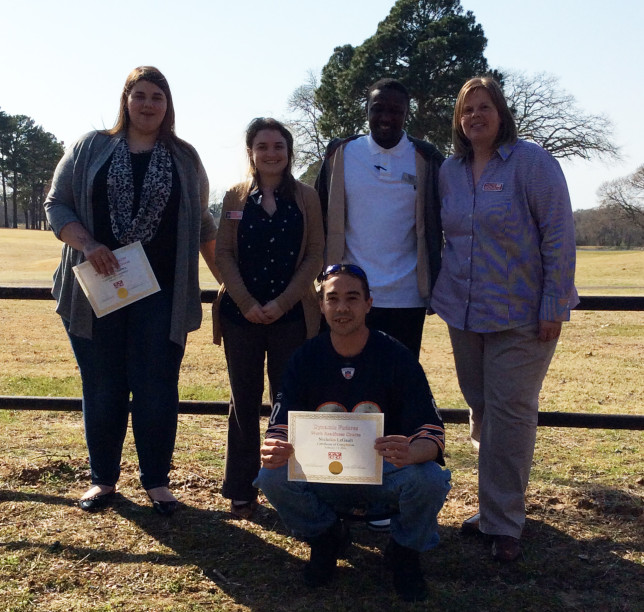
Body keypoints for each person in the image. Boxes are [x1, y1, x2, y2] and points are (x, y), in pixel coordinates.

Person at [44, 66, 219, 516]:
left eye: (157, 97)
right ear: (125, 100)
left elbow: (202, 225)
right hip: (95, 293)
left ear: (168, 105)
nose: (147, 104)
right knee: (102, 386)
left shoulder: (185, 157)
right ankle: (102, 481)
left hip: (160, 295)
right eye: (139, 95)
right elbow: (56, 203)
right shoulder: (91, 147)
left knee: (157, 387)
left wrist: (228, 285)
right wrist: (88, 244)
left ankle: (157, 483)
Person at [430, 76, 579, 561]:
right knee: (482, 412)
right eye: (467, 109)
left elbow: (558, 235)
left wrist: (553, 306)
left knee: (510, 416)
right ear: (459, 119)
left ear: (502, 113)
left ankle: (506, 523)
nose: (475, 116)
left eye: (484, 107)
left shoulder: (532, 162)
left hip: (521, 314)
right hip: (464, 311)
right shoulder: (448, 170)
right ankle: (492, 509)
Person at [255, 264, 451, 602]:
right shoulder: (305, 358)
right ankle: (327, 536)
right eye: (333, 299)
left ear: (368, 304)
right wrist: (276, 446)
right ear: (322, 306)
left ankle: (404, 552)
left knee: (431, 479)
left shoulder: (396, 356)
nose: (342, 308)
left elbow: (432, 433)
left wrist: (413, 451)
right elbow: (281, 425)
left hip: (384, 475)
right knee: (271, 477)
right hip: (323, 474)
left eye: (352, 298)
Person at [213, 118, 324, 520]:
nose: (271, 153)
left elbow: (315, 254)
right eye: (263, 146)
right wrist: (245, 302)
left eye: (279, 146)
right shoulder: (235, 197)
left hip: (292, 317)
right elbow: (223, 253)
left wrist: (282, 302)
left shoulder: (307, 197)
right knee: (244, 402)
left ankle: (295, 485)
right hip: (241, 318)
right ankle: (241, 489)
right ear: (251, 152)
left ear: (289, 152)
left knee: (290, 402)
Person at [315, 78, 444, 360]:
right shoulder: (341, 154)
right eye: (378, 109)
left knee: (398, 387)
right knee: (344, 383)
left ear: (406, 114)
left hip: (406, 297)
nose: (386, 117)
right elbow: (316, 218)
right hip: (348, 294)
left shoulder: (427, 158)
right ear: (367, 111)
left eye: (395, 111)